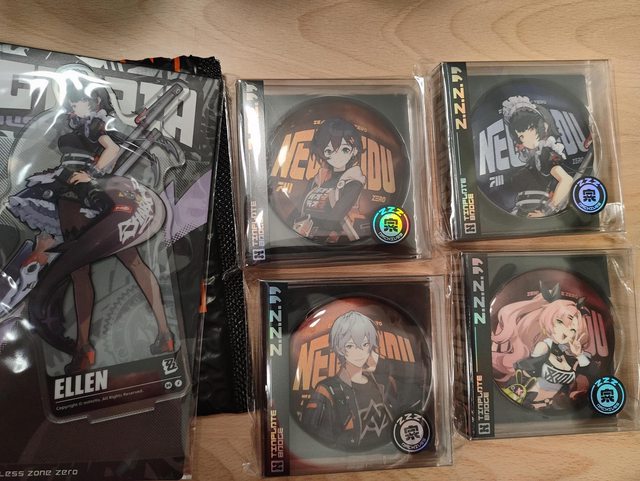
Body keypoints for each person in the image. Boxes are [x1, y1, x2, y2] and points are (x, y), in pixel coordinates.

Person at [7, 66, 175, 374]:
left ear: (94, 102)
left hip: (87, 193)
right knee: (83, 271)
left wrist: (93, 174)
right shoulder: (71, 123)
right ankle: (86, 348)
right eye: (72, 101)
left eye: (79, 100)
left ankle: (160, 334)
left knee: (127, 263)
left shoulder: (94, 123)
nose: (74, 105)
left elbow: (113, 148)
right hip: (67, 192)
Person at [301, 311, 396, 449]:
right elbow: (312, 439)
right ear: (340, 348)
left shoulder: (383, 383)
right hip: (343, 458)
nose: (359, 352)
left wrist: (380, 363)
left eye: (365, 344)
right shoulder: (327, 390)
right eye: (350, 346)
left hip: (388, 453)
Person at [492, 283, 593, 409]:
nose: (566, 332)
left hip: (553, 407)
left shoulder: (568, 353)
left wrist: (578, 354)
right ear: (546, 320)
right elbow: (528, 369)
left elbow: (589, 371)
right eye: (560, 322)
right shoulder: (543, 347)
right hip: (528, 403)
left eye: (573, 330)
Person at [293, 118, 365, 242]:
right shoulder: (316, 180)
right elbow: (299, 209)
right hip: (302, 234)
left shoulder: (353, 183)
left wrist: (316, 236)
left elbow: (335, 217)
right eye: (329, 151)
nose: (337, 156)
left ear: (354, 151)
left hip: (332, 239)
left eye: (345, 149)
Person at [502, 96, 574, 217]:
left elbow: (567, 180)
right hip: (524, 212)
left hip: (537, 212)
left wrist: (548, 210)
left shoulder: (545, 154)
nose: (524, 140)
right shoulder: (534, 155)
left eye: (529, 130)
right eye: (521, 136)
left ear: (544, 126)